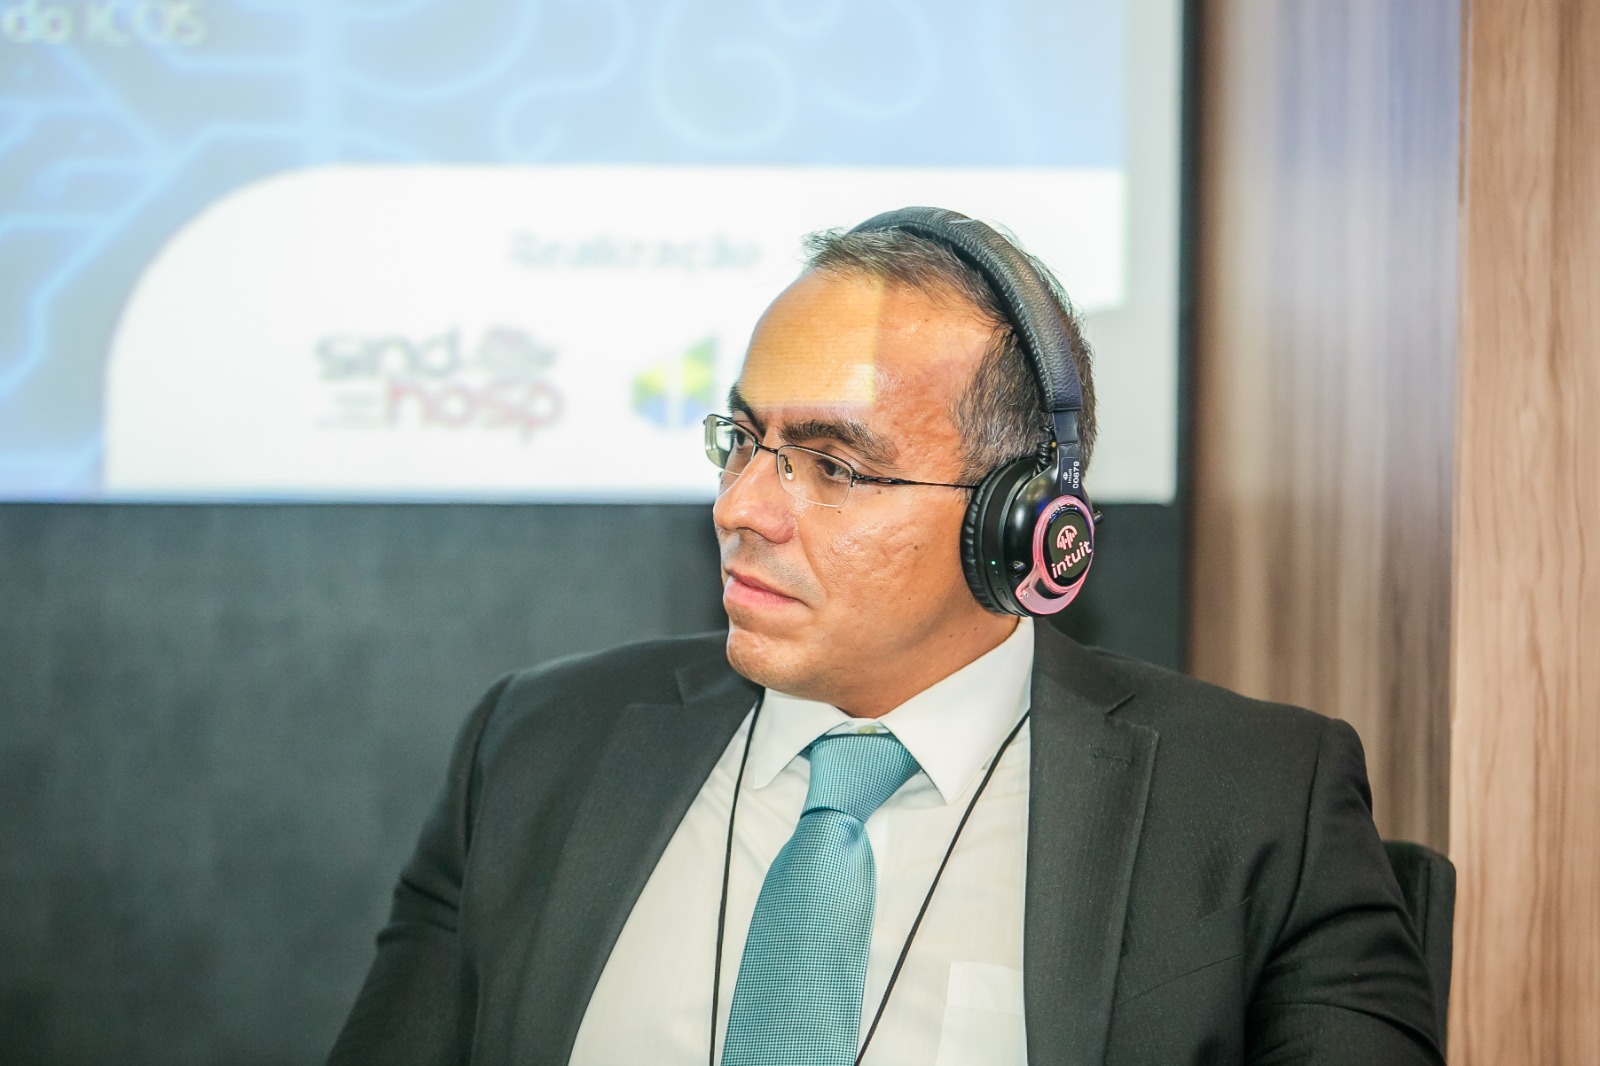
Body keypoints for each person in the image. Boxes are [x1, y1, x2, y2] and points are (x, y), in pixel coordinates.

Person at [329, 209, 1444, 1065]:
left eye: (833, 466)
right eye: (742, 440)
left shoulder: (1258, 803)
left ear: (1022, 527)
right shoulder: (534, 746)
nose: (741, 508)